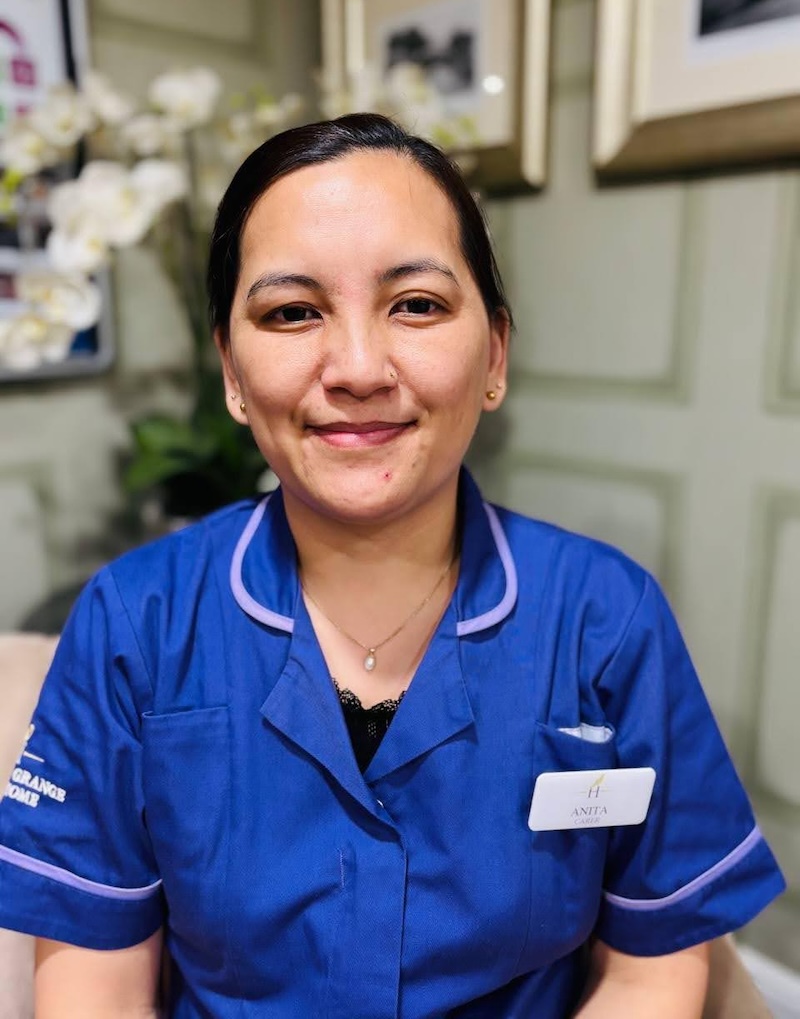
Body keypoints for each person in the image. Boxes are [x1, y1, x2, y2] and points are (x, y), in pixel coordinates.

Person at [0, 114, 785, 1018]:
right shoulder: (135, 622)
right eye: (293, 311)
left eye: (415, 304)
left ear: (493, 354)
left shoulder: (605, 618)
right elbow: (95, 983)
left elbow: (654, 964)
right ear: (230, 370)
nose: (361, 368)